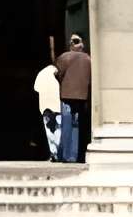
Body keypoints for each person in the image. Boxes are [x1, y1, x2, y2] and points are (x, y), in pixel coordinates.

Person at [54, 32, 91, 162]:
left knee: (67, 126)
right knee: (80, 127)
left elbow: (57, 73)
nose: (72, 43)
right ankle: (78, 155)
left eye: (74, 40)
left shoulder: (65, 57)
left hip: (66, 97)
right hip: (83, 97)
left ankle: (67, 155)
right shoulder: (89, 59)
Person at [34, 55, 62, 160]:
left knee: (49, 130)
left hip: (45, 106)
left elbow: (36, 88)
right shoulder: (58, 74)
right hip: (57, 106)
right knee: (58, 129)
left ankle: (53, 152)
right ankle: (58, 151)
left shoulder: (41, 74)